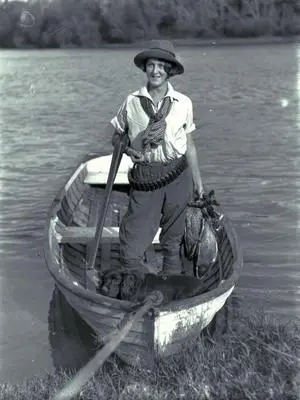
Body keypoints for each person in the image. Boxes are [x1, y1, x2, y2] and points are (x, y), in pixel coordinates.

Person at [106, 40, 204, 277]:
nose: (156, 70)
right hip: (146, 177)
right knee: (130, 252)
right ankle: (145, 286)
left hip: (179, 176)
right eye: (151, 65)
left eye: (161, 66)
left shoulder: (183, 103)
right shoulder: (132, 102)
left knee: (173, 244)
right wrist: (129, 150)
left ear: (169, 70)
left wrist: (199, 183)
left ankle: (171, 289)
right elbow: (117, 137)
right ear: (145, 68)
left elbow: (189, 145)